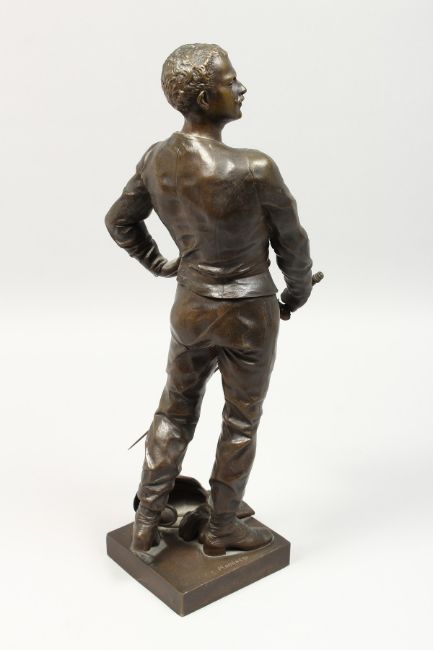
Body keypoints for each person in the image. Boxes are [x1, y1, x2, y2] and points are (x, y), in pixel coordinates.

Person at [105, 43, 313, 558]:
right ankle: (222, 528)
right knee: (240, 421)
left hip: (192, 306)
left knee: (174, 409)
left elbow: (119, 221)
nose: (241, 89)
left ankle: (147, 521)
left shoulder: (156, 158)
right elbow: (293, 245)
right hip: (249, 314)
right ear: (203, 97)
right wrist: (297, 292)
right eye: (230, 81)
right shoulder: (255, 167)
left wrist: (160, 263)